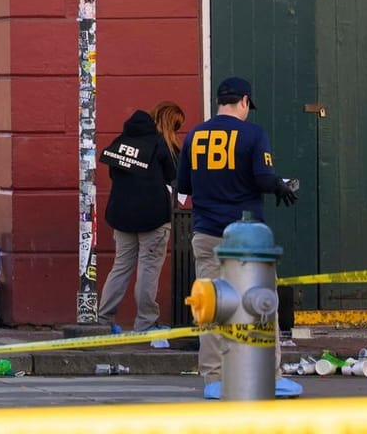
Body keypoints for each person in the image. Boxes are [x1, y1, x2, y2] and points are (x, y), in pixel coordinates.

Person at [176, 76, 300, 401]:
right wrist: (278, 186)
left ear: (220, 101)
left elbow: (184, 187)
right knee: (260, 304)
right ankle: (268, 378)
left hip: (206, 233)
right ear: (244, 101)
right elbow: (262, 177)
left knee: (213, 305)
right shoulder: (254, 134)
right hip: (248, 241)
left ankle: (215, 378)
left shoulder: (194, 135)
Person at [95, 108, 176, 338]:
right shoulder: (158, 143)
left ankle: (104, 320)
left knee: (120, 267)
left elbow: (113, 175)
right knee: (148, 269)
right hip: (154, 216)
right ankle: (146, 323)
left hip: (121, 216)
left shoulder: (119, 143)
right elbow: (173, 174)